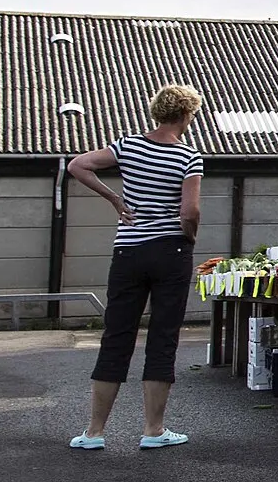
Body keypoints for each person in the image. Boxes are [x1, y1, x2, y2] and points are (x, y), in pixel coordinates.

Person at [65, 84, 205, 450]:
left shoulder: (127, 145)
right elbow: (189, 211)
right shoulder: (189, 156)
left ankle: (94, 433)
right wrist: (188, 238)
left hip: (128, 251)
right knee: (162, 337)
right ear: (186, 115)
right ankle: (153, 431)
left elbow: (77, 165)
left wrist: (114, 197)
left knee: (116, 335)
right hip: (170, 251)